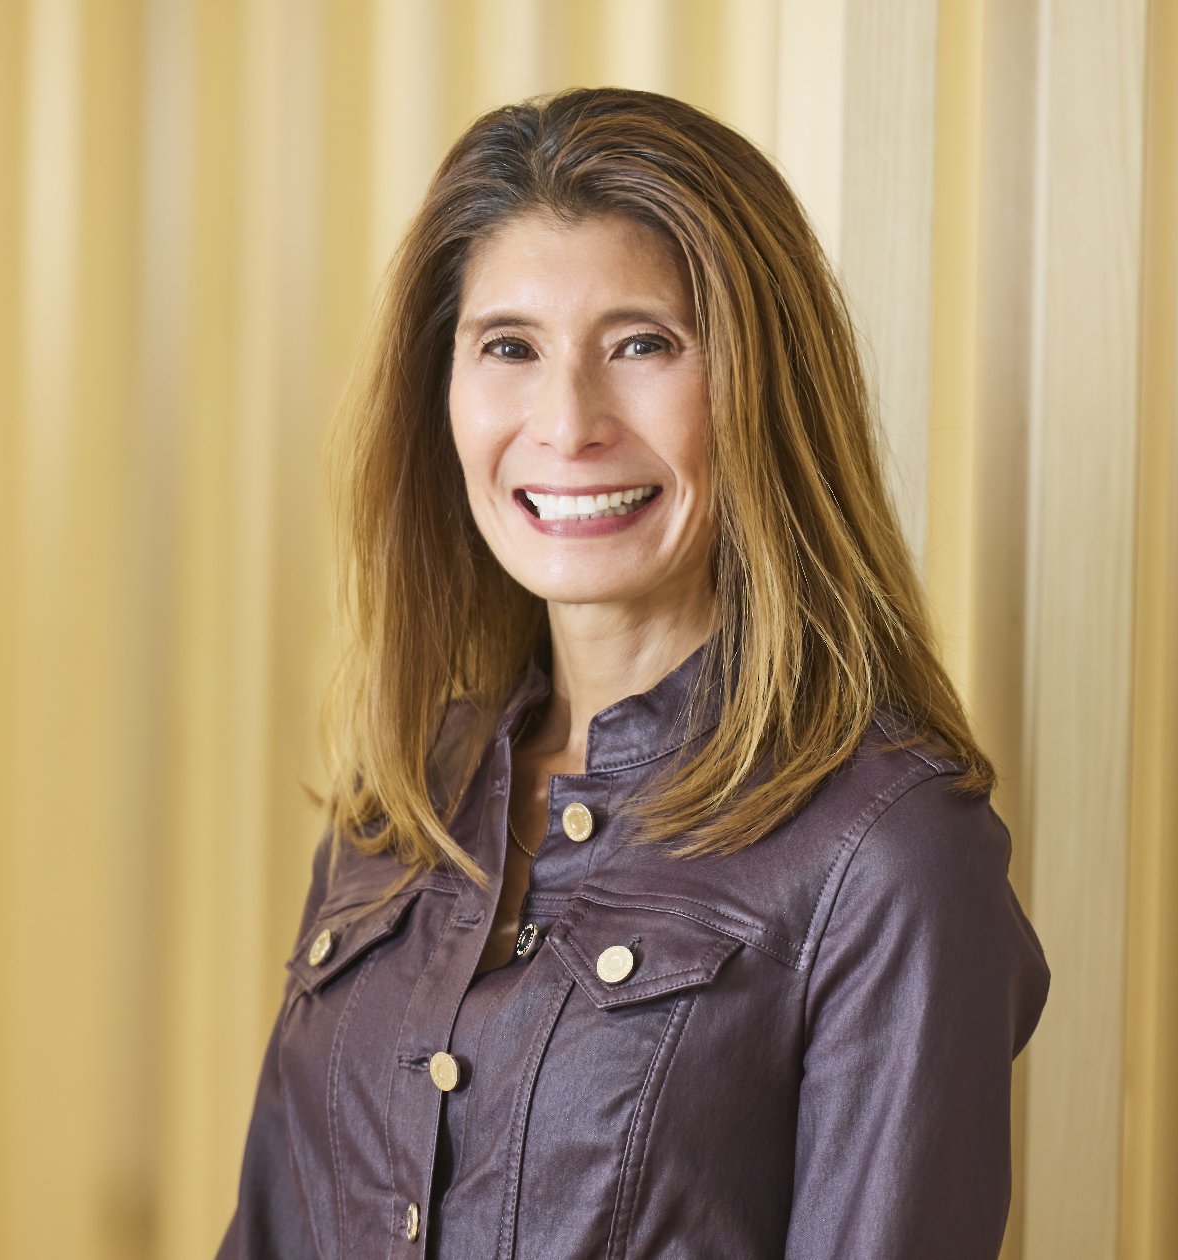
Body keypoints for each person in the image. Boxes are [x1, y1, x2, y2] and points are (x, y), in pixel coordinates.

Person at [218, 87, 1048, 1260]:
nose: (567, 420)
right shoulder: (401, 800)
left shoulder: (894, 856)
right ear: (441, 394)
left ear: (760, 388)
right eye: (508, 346)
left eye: (643, 344)